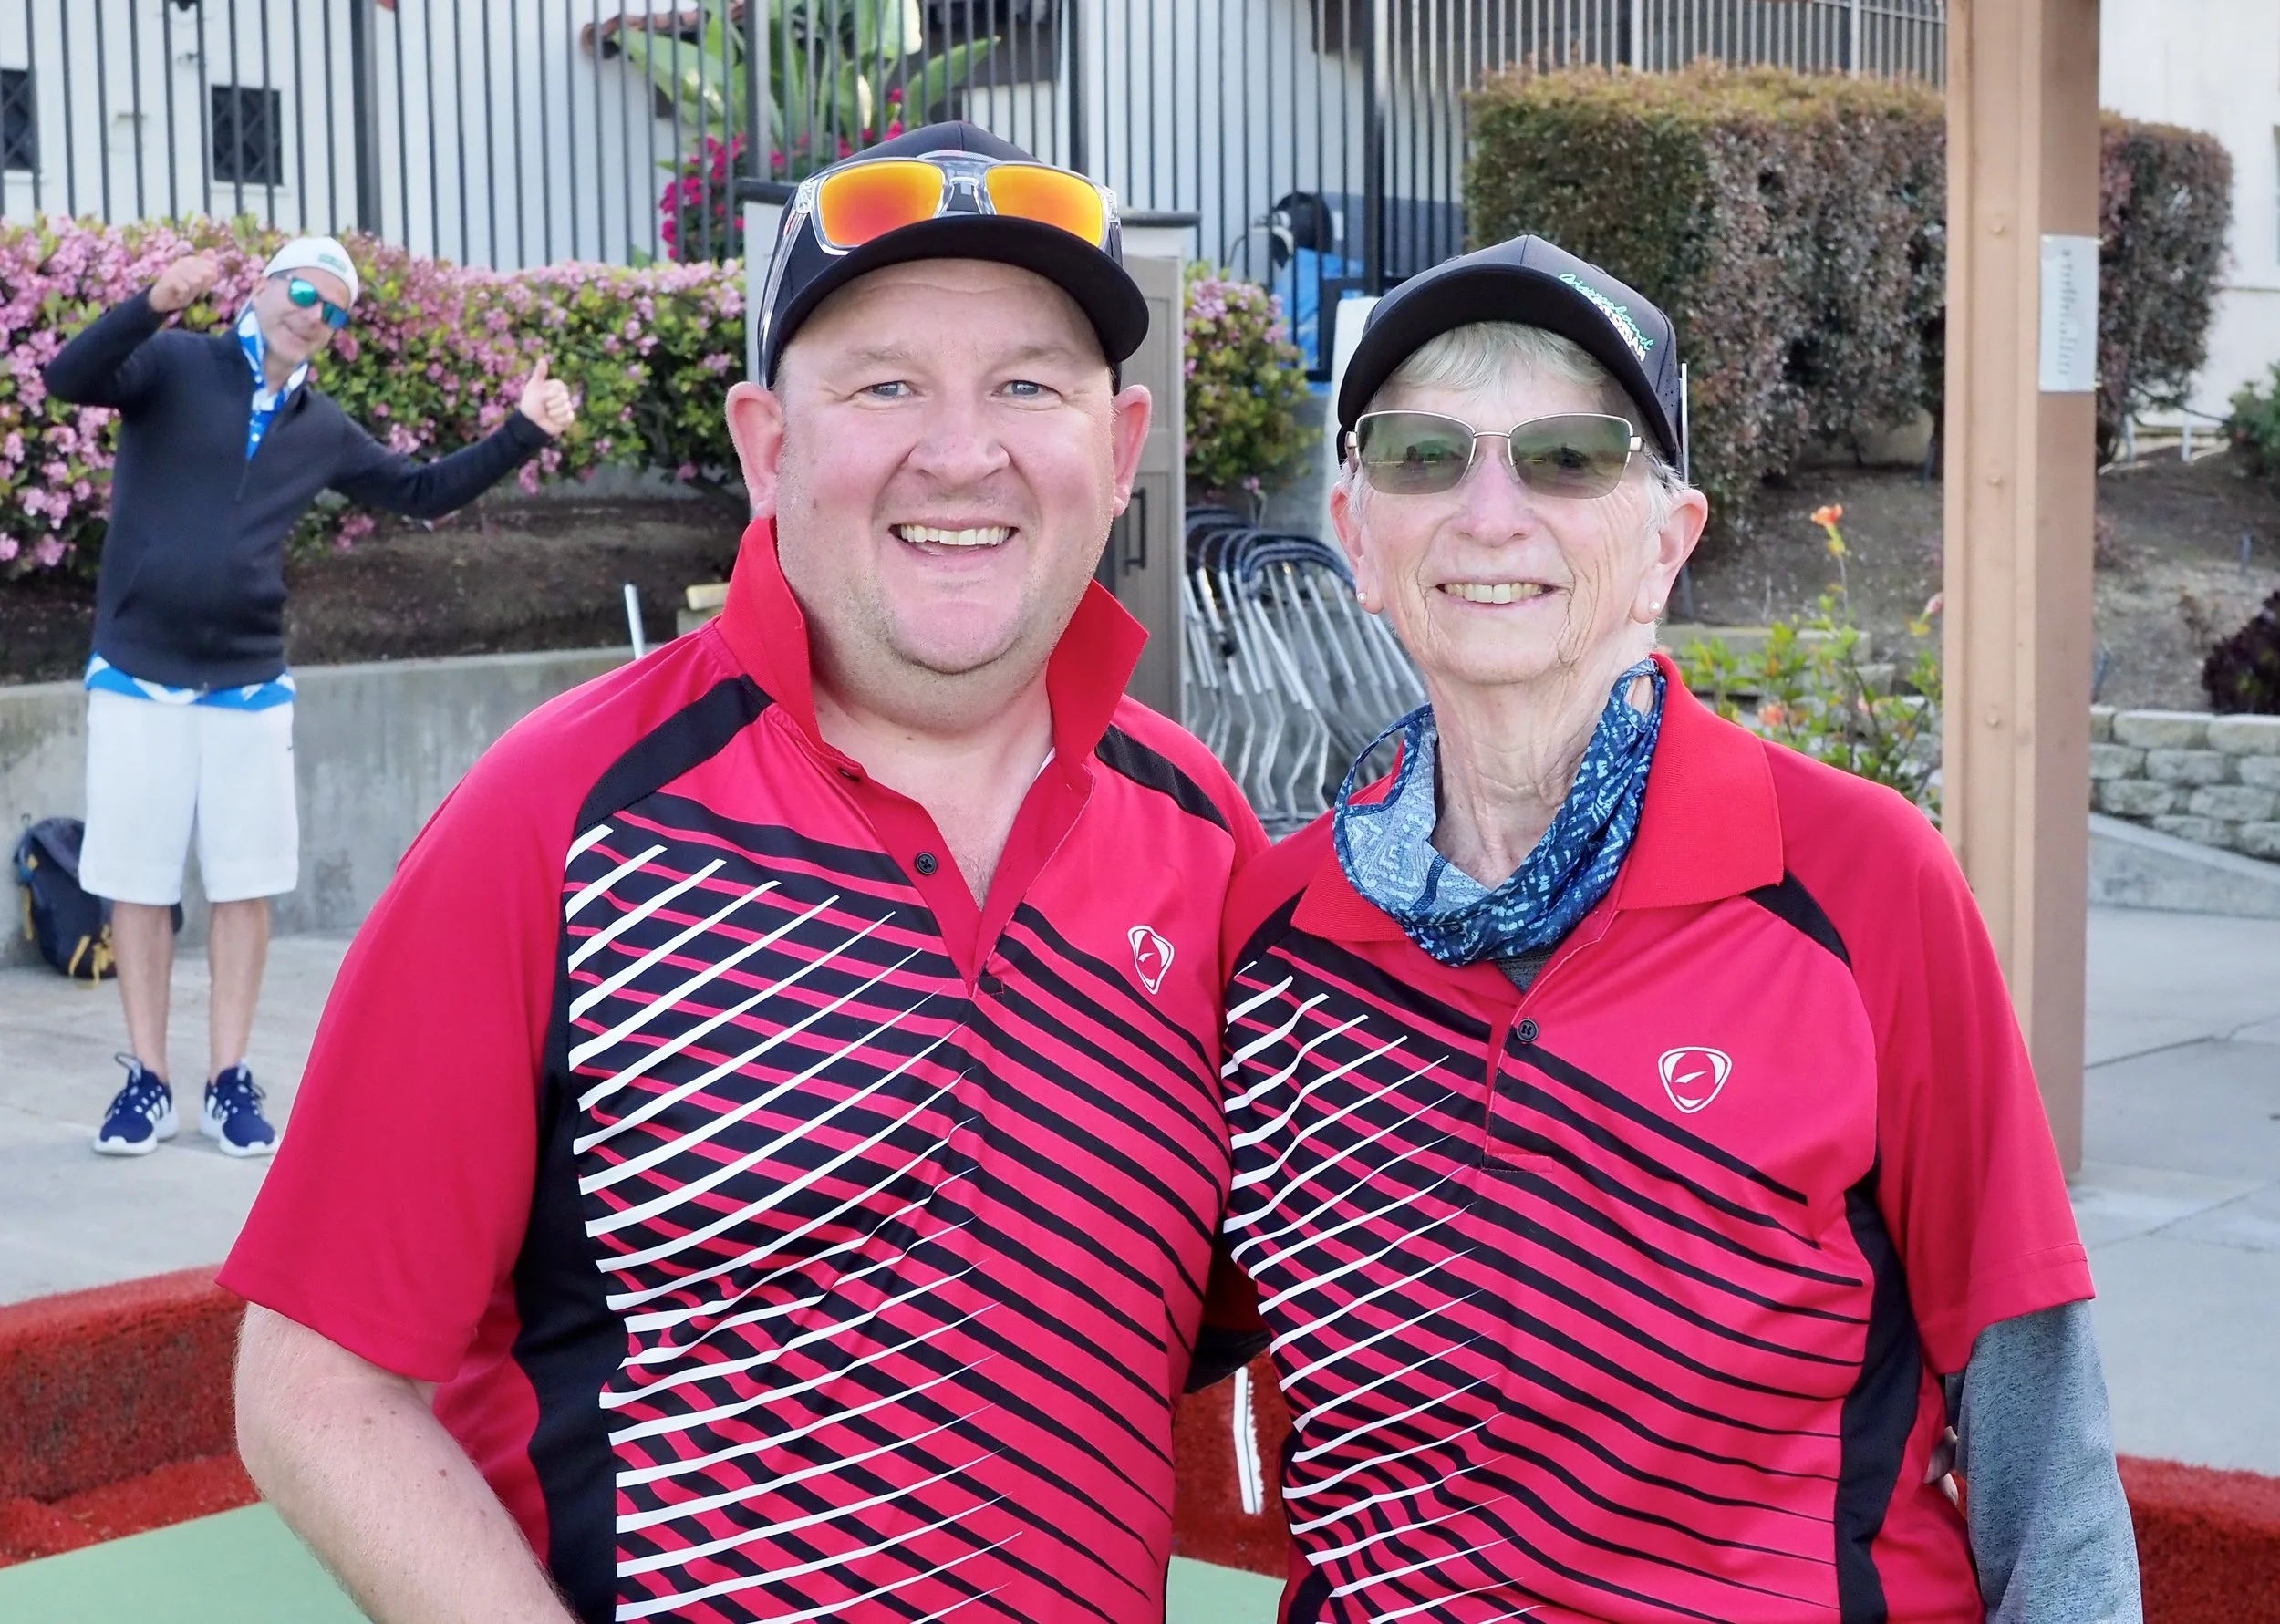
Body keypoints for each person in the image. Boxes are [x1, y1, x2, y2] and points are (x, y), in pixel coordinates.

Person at [220, 124, 1265, 1624]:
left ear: (1118, 446)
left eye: (1027, 383)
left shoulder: (1206, 837)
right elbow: (316, 1378)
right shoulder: (558, 818)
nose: (961, 450)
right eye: (885, 383)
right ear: (769, 445)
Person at [1211, 236, 2140, 1621]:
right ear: (1355, 534)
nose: (1489, 511)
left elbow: (2040, 1443)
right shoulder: (1270, 932)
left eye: (1568, 456)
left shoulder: (1855, 879)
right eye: (1422, 455)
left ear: (1667, 544)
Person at [41, 234, 577, 1160]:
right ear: (262, 285)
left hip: (249, 685)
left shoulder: (321, 425)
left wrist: (523, 426)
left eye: (332, 309)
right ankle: (147, 1077)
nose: (312, 315)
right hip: (135, 671)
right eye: (302, 292)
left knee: (245, 887)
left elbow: (420, 490)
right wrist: (152, 303)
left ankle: (227, 1078)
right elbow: (66, 376)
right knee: (136, 882)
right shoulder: (175, 363)